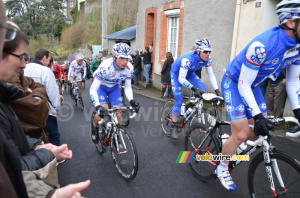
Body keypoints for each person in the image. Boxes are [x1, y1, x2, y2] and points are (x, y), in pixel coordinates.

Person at [0, 2, 90, 197]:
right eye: (21, 56)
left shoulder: (63, 66)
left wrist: (36, 146)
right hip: (43, 120)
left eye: (27, 56)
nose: (24, 64)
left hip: (30, 144)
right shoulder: (56, 67)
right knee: (55, 135)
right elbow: (8, 173)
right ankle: (57, 161)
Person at [217, 0, 300, 191]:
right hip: (234, 82)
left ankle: (227, 141)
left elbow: (294, 81)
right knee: (241, 134)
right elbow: (242, 83)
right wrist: (258, 115)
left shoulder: (296, 47)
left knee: (260, 129)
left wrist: (298, 111)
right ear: (290, 23)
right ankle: (222, 167)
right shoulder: (262, 45)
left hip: (252, 85)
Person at [170, 38, 221, 139]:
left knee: (203, 92)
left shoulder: (208, 60)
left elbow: (211, 75)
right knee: (179, 100)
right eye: (205, 51)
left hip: (189, 73)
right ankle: (174, 125)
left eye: (209, 51)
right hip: (176, 75)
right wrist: (193, 88)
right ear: (198, 51)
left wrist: (217, 91)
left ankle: (188, 105)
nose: (208, 54)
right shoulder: (187, 60)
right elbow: (181, 79)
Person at [90, 43, 140, 144]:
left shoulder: (129, 68)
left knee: (119, 114)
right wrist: (97, 106)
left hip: (114, 88)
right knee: (102, 112)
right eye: (121, 58)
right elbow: (93, 89)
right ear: (114, 57)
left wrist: (132, 101)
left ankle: (117, 136)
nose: (125, 62)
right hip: (101, 88)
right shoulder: (105, 67)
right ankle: (95, 129)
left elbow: (128, 87)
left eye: (127, 58)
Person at [24, 48, 64, 146]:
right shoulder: (45, 71)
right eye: (50, 58)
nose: (50, 61)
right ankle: (55, 158)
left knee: (34, 137)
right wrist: (57, 107)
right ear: (44, 58)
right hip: (44, 109)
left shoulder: (23, 68)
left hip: (26, 109)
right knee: (53, 136)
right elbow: (52, 92)